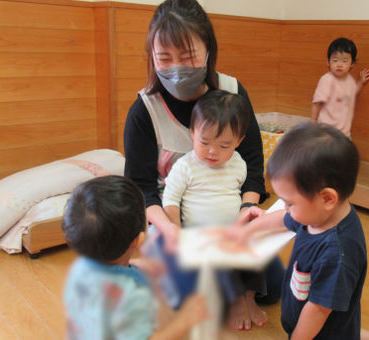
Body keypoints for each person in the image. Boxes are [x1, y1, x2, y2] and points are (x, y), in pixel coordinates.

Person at [123, 0, 284, 330]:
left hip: (230, 220)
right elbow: (141, 188)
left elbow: (253, 164)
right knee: (190, 297)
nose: (176, 67)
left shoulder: (232, 93)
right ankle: (152, 266)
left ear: (208, 50)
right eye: (164, 58)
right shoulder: (144, 111)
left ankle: (234, 289)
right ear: (152, 57)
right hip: (177, 225)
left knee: (272, 290)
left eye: (188, 56)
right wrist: (172, 232)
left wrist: (246, 212)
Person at [225, 123, 369, 340]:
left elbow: (317, 310)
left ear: (327, 198)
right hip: (313, 313)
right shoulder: (317, 213)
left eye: (290, 202)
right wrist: (248, 231)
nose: (286, 209)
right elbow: (283, 219)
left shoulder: (337, 254)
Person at [162, 89, 268, 330]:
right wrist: (177, 234)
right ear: (192, 133)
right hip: (199, 234)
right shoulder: (185, 166)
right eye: (205, 142)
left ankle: (249, 297)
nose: (212, 151)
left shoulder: (238, 164)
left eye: (224, 145)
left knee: (256, 247)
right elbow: (170, 200)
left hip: (233, 230)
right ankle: (235, 302)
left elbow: (244, 195)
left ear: (239, 141)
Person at [62, 175, 208, 340]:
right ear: (138, 240)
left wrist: (130, 264)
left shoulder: (80, 267)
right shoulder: (132, 295)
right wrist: (185, 320)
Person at [310, 37, 369, 138]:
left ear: (352, 64)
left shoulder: (350, 81)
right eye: (335, 60)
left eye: (344, 61)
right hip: (326, 133)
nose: (339, 64)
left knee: (345, 153)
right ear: (328, 62)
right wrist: (313, 121)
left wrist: (360, 82)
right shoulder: (327, 80)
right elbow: (317, 102)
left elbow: (353, 92)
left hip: (345, 134)